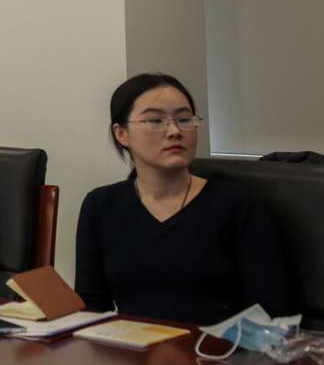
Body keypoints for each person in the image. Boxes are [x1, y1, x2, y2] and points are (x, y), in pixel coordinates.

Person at [76, 73, 288, 323]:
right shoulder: (101, 205)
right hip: (133, 345)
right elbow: (91, 307)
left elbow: (269, 311)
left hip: (217, 346)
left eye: (184, 119)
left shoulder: (235, 203)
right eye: (155, 120)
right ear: (121, 133)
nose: (175, 131)